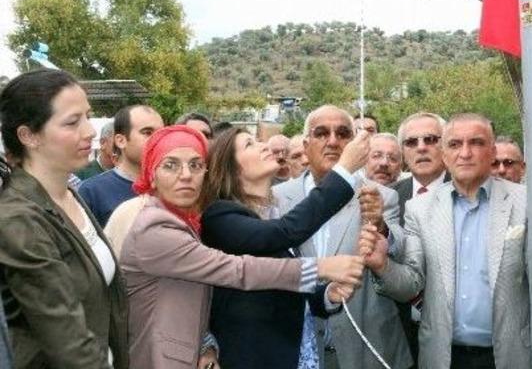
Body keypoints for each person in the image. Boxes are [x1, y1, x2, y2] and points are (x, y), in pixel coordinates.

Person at [121, 125, 365, 369]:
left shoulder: (264, 212)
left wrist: (324, 295)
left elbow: (200, 299)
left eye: (195, 165)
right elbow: (245, 268)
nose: (186, 175)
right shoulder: (213, 217)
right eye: (170, 165)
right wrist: (343, 170)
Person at [362, 113, 531, 369]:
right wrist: (382, 266)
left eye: (475, 143)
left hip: (510, 356)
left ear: (492, 150)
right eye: (454, 144)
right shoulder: (419, 209)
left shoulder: (528, 202)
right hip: (443, 358)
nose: (465, 153)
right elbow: (411, 284)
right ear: (444, 153)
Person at [200, 126, 373, 368]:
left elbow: (278, 279)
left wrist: (325, 295)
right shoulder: (220, 216)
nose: (264, 146)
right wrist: (344, 169)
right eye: (250, 144)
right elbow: (283, 233)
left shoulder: (270, 213)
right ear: (230, 168)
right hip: (253, 358)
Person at [0, 69, 129, 368]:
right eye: (72, 122)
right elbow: (67, 343)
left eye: (88, 116)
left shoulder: (70, 194)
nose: (90, 131)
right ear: (28, 135)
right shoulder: (18, 218)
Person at [274, 105, 412, 369]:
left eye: (343, 133)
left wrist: (380, 226)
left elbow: (400, 261)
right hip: (298, 349)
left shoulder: (379, 196)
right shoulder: (278, 199)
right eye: (322, 133)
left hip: (366, 352)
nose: (333, 141)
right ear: (305, 144)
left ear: (355, 143)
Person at [389, 112, 449, 365]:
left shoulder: (467, 194)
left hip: (452, 338)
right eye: (411, 142)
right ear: (403, 152)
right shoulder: (389, 198)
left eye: (431, 139)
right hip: (400, 334)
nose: (421, 147)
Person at [78, 104, 164, 225]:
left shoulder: (169, 187)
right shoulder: (92, 191)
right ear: (120, 141)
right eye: (147, 132)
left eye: (161, 134)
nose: (157, 140)